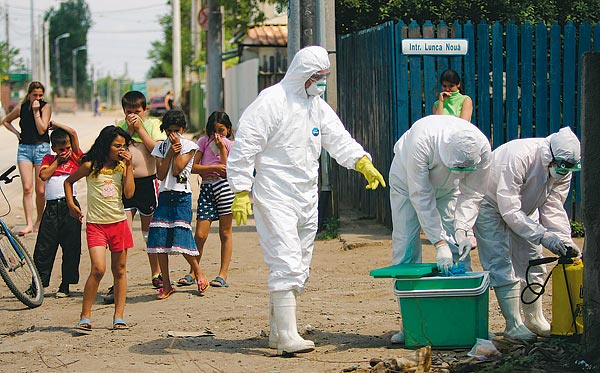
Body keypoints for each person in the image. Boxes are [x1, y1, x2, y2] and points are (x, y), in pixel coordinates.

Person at [226, 45, 386, 355]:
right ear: (303, 74)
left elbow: (338, 138)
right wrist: (242, 191)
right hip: (275, 194)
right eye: (318, 76)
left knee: (298, 265)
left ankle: (277, 332)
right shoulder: (271, 102)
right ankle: (287, 336)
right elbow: (244, 147)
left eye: (325, 76)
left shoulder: (317, 106)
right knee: (285, 260)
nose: (322, 82)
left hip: (306, 195)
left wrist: (361, 162)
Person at [388, 115, 491, 344]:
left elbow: (473, 193)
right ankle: (411, 324)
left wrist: (464, 230)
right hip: (407, 184)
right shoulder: (422, 141)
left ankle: (462, 320)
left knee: (458, 248)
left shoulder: (481, 147)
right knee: (405, 245)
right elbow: (421, 196)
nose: (460, 171)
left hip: (448, 189)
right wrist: (438, 242)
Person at [474, 126, 582, 341]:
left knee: (534, 261)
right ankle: (513, 324)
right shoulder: (519, 156)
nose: (563, 170)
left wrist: (562, 239)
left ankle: (534, 319)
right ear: (550, 155)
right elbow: (509, 209)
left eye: (568, 167)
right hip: (490, 203)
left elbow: (553, 206)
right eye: (560, 165)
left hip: (525, 208)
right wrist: (542, 235)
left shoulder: (563, 170)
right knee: (499, 261)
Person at [65, 125, 134, 333]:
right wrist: (71, 205)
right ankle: (85, 316)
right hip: (96, 225)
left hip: (119, 223)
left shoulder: (122, 167)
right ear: (106, 145)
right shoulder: (90, 165)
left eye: (124, 146)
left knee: (119, 271)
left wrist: (129, 166)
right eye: (116, 145)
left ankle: (118, 317)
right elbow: (68, 182)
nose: (121, 149)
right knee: (98, 269)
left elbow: (129, 194)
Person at [146, 109, 209, 300]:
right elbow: (161, 174)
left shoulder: (190, 146)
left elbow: (178, 169)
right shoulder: (160, 148)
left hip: (182, 196)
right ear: (164, 130)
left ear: (183, 129)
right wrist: (169, 153)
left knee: (182, 238)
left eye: (177, 130)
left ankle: (198, 272)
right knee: (159, 241)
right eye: (170, 131)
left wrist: (177, 149)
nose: (174, 135)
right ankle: (166, 284)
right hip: (164, 196)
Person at [116, 90, 166, 291]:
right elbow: (115, 147)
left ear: (145, 110)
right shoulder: (120, 127)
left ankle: (156, 273)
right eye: (129, 112)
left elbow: (157, 149)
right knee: (123, 231)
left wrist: (140, 129)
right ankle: (119, 277)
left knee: (149, 232)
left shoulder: (153, 125)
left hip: (147, 183)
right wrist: (128, 130)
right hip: (126, 184)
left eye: (137, 111)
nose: (134, 115)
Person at [178, 111, 234, 288]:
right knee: (200, 234)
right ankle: (193, 271)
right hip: (207, 188)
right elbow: (192, 167)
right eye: (213, 130)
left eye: (221, 130)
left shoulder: (231, 145)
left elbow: (228, 170)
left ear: (228, 129)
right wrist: (213, 167)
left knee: (225, 233)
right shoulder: (203, 142)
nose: (217, 134)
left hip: (224, 188)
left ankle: (223, 274)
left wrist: (223, 149)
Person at [33, 120, 83, 298]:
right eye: (61, 149)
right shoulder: (49, 160)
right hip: (52, 208)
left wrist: (59, 125)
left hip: (70, 206)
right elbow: (44, 175)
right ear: (54, 148)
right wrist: (57, 162)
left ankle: (65, 284)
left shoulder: (75, 158)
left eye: (67, 148)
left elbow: (74, 133)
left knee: (71, 246)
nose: (65, 152)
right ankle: (38, 284)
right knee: (44, 246)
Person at [1, 81, 52, 236]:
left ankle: (39, 220)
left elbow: (42, 128)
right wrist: (17, 134)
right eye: (34, 95)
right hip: (24, 149)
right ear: (29, 95)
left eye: (40, 95)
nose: (37, 98)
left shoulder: (45, 107)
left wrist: (36, 112)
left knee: (41, 190)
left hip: (41, 148)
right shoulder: (21, 108)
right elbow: (5, 121)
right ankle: (29, 223)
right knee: (27, 188)